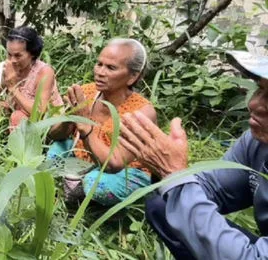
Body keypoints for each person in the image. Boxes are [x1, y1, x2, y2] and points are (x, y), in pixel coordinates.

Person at [120, 50, 268, 259]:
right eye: (260, 89)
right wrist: (168, 171)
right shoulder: (256, 143)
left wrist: (174, 173)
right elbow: (212, 186)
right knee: (165, 202)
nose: (253, 104)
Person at [48, 38, 157, 206]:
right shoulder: (87, 92)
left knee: (96, 184)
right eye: (99, 64)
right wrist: (70, 117)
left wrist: (85, 126)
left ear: (132, 77)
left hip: (126, 171)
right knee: (56, 151)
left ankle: (90, 196)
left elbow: (114, 164)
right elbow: (55, 135)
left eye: (111, 68)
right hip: (88, 158)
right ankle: (78, 186)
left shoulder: (141, 112)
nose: (100, 72)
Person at [0, 26, 63, 129]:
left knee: (18, 117)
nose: (12, 60)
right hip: (20, 115)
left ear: (32, 54)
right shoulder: (8, 68)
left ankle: (18, 145)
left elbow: (39, 112)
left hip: (48, 125)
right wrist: (2, 85)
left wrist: (12, 88)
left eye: (18, 56)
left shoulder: (44, 72)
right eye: (9, 54)